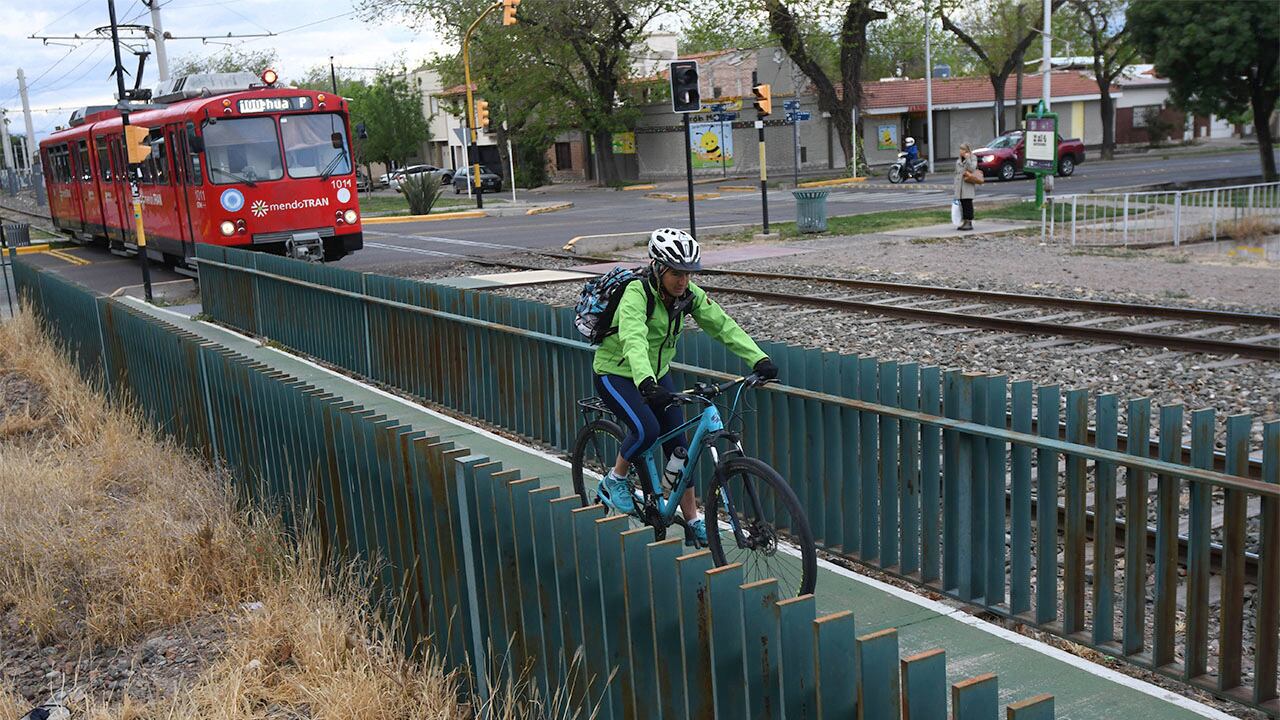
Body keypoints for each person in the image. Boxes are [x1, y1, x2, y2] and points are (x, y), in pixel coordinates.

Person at [591, 228, 778, 546]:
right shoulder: (636, 292)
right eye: (676, 273)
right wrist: (646, 383)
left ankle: (692, 521)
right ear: (659, 267)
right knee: (646, 429)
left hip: (656, 374)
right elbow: (633, 338)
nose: (683, 281)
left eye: (688, 273)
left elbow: (722, 325)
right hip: (617, 373)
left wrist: (758, 359)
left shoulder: (688, 296)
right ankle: (614, 479)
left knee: (680, 449)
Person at [954, 142, 978, 231]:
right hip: (960, 185)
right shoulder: (959, 159)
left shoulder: (972, 158)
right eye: (960, 149)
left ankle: (969, 222)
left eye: (963, 149)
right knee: (962, 204)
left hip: (967, 184)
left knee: (968, 203)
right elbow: (956, 173)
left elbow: (972, 168)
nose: (961, 151)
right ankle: (964, 221)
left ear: (967, 150)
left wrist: (967, 159)